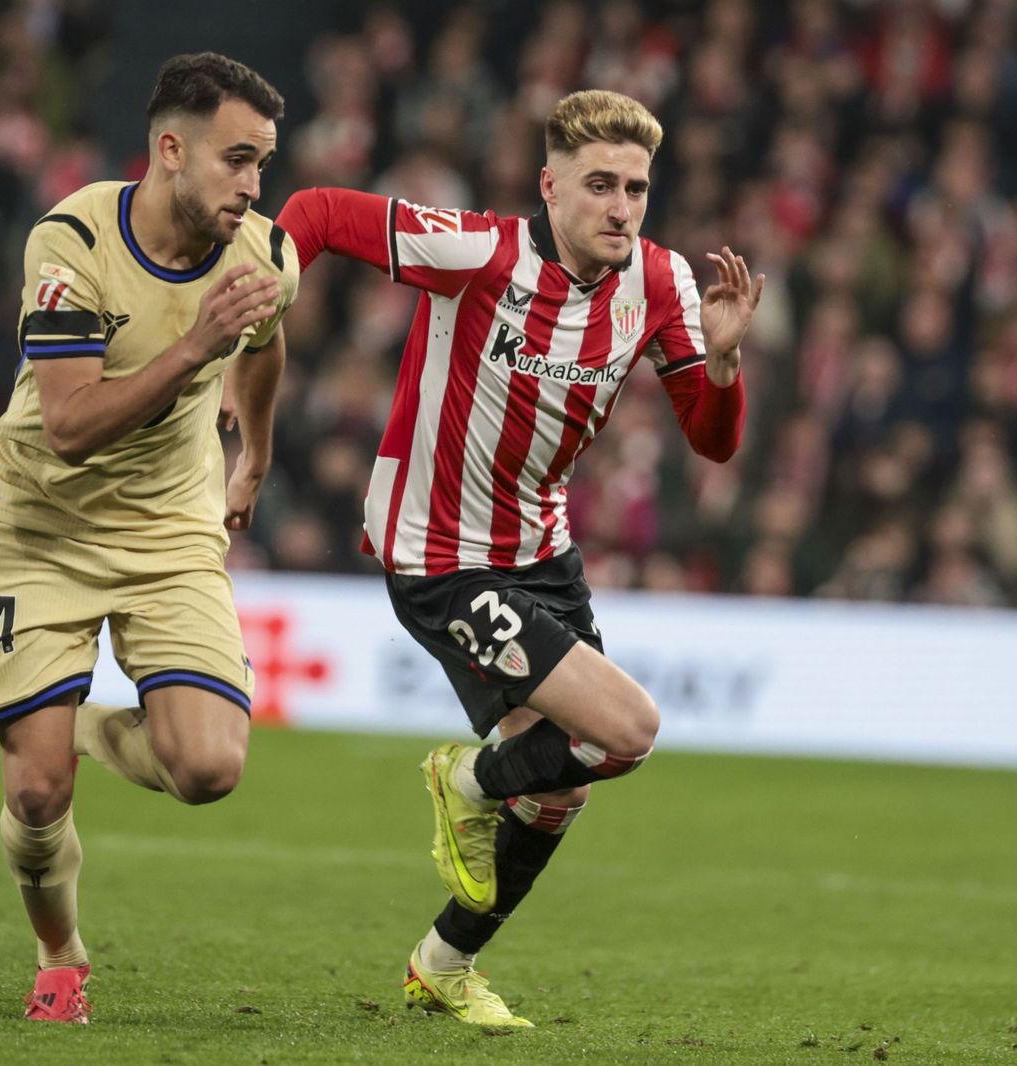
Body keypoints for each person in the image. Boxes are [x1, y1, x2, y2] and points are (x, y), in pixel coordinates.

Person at [276, 88, 763, 1027]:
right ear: (550, 187)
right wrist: (264, 297)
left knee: (565, 786)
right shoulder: (481, 252)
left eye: (637, 188)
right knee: (629, 729)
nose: (622, 207)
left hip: (541, 550)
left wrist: (727, 364)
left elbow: (711, 441)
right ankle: (461, 780)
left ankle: (443, 963)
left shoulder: (658, 285)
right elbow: (319, 214)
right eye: (600, 185)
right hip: (438, 554)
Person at [0, 52, 298, 1023]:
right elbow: (67, 427)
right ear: (169, 149)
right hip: (38, 526)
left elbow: (267, 338)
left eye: (263, 164)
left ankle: (91, 737)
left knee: (209, 768)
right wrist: (196, 346)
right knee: (31, 798)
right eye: (237, 160)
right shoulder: (69, 243)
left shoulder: (262, 253)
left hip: (166, 532)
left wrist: (256, 454)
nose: (252, 185)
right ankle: (59, 947)